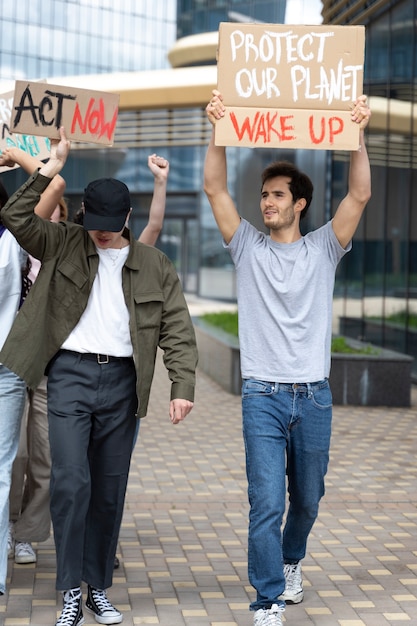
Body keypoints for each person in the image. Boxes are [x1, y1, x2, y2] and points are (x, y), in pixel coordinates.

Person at [0, 128, 197, 626]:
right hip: (68, 376)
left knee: (109, 489)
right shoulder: (64, 242)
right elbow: (15, 216)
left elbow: (176, 325)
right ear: (84, 214)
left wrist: (182, 387)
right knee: (69, 483)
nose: (103, 233)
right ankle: (69, 590)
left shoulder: (154, 264)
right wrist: (49, 165)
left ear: (127, 218)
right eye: (96, 223)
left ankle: (97, 589)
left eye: (112, 224)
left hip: (122, 386)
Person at [204, 89, 371, 626]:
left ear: (299, 203)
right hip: (263, 396)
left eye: (277, 195)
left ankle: (291, 560)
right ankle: (268, 599)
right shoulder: (247, 246)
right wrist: (219, 127)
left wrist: (359, 133)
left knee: (308, 502)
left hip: (314, 396)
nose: (266, 202)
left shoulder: (323, 246)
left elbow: (360, 195)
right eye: (264, 195)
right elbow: (213, 186)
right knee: (267, 503)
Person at [0, 167, 65, 596]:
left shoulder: (15, 239)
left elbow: (54, 186)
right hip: (15, 365)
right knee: (11, 460)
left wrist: (24, 157)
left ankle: (20, 538)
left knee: (24, 460)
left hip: (22, 363)